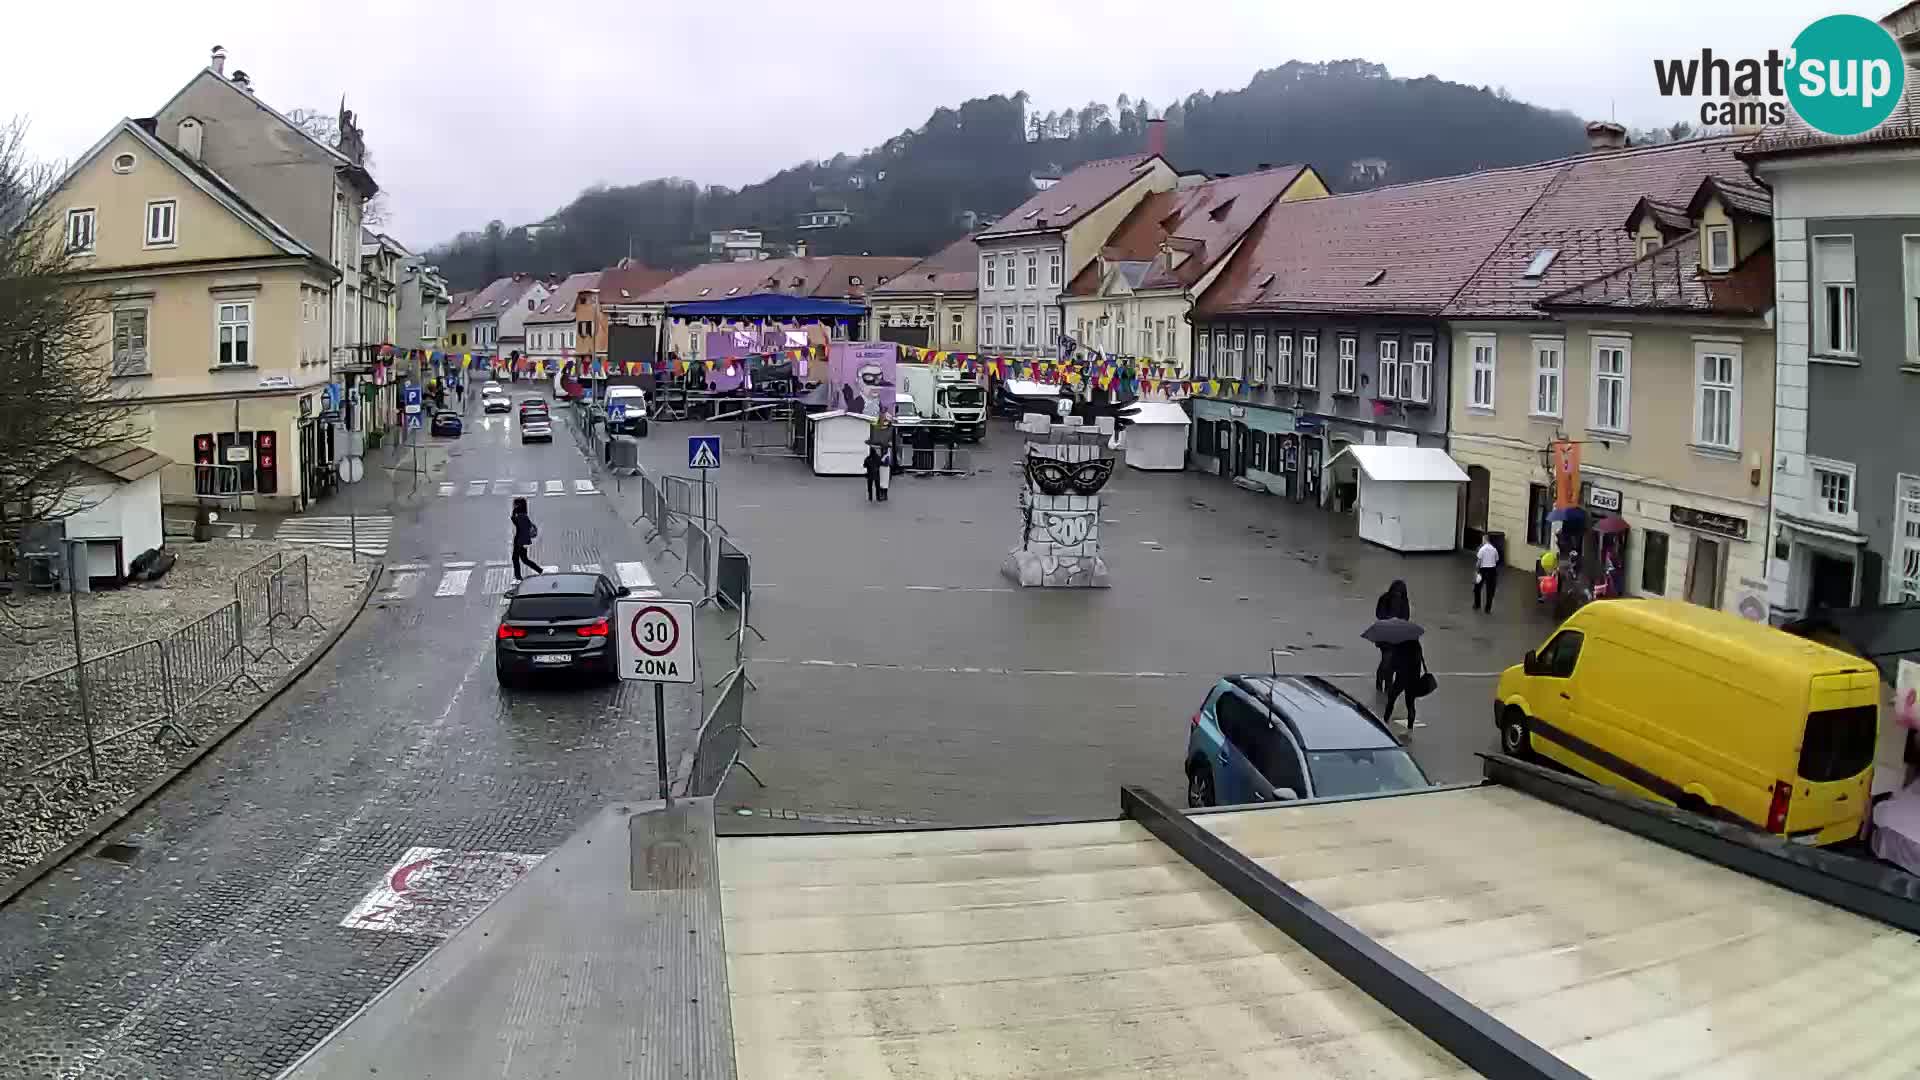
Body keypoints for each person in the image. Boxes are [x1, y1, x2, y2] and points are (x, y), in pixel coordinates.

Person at [1382, 636, 1427, 733]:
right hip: (1413, 678)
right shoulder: (1416, 645)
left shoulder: (1400, 645)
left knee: (1392, 698)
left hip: (1401, 677)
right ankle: (1410, 725)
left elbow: (1394, 663)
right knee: (1410, 703)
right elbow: (1419, 661)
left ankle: (1385, 720)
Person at [1374, 580, 1410, 692]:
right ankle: (1380, 682)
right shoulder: (1384, 598)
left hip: (1397, 636)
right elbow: (1379, 614)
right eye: (1396, 591)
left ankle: (1388, 685)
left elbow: (1406, 617)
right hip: (1384, 635)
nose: (1397, 594)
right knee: (1386, 660)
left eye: (1400, 592)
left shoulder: (1404, 601)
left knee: (1392, 662)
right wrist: (1390, 619)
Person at [510, 497, 543, 580]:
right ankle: (540, 570)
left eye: (515, 504)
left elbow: (522, 529)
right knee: (524, 559)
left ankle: (518, 577)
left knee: (516, 559)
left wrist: (521, 543)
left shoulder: (522, 517)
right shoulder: (523, 516)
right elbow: (517, 524)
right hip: (521, 541)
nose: (514, 506)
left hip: (519, 541)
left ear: (518, 506)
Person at [1472, 535, 1500, 612]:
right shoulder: (1494, 549)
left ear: (1485, 540)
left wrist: (1476, 571)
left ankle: (1477, 605)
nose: (1482, 541)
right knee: (1490, 591)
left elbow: (1478, 562)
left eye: (1482, 540)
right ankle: (1487, 609)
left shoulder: (1482, 549)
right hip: (1492, 571)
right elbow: (1497, 560)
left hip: (1482, 570)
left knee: (1477, 588)